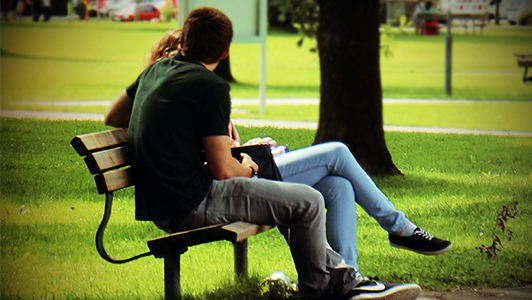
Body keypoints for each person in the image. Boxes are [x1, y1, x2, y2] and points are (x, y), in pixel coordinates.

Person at [104, 7, 423, 300]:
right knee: (309, 202)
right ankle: (325, 289)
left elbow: (113, 116)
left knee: (296, 196)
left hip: (167, 200)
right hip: (190, 202)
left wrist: (176, 133)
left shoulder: (155, 72)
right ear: (226, 51)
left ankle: (344, 280)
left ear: (184, 40)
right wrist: (248, 166)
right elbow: (223, 170)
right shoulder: (210, 86)